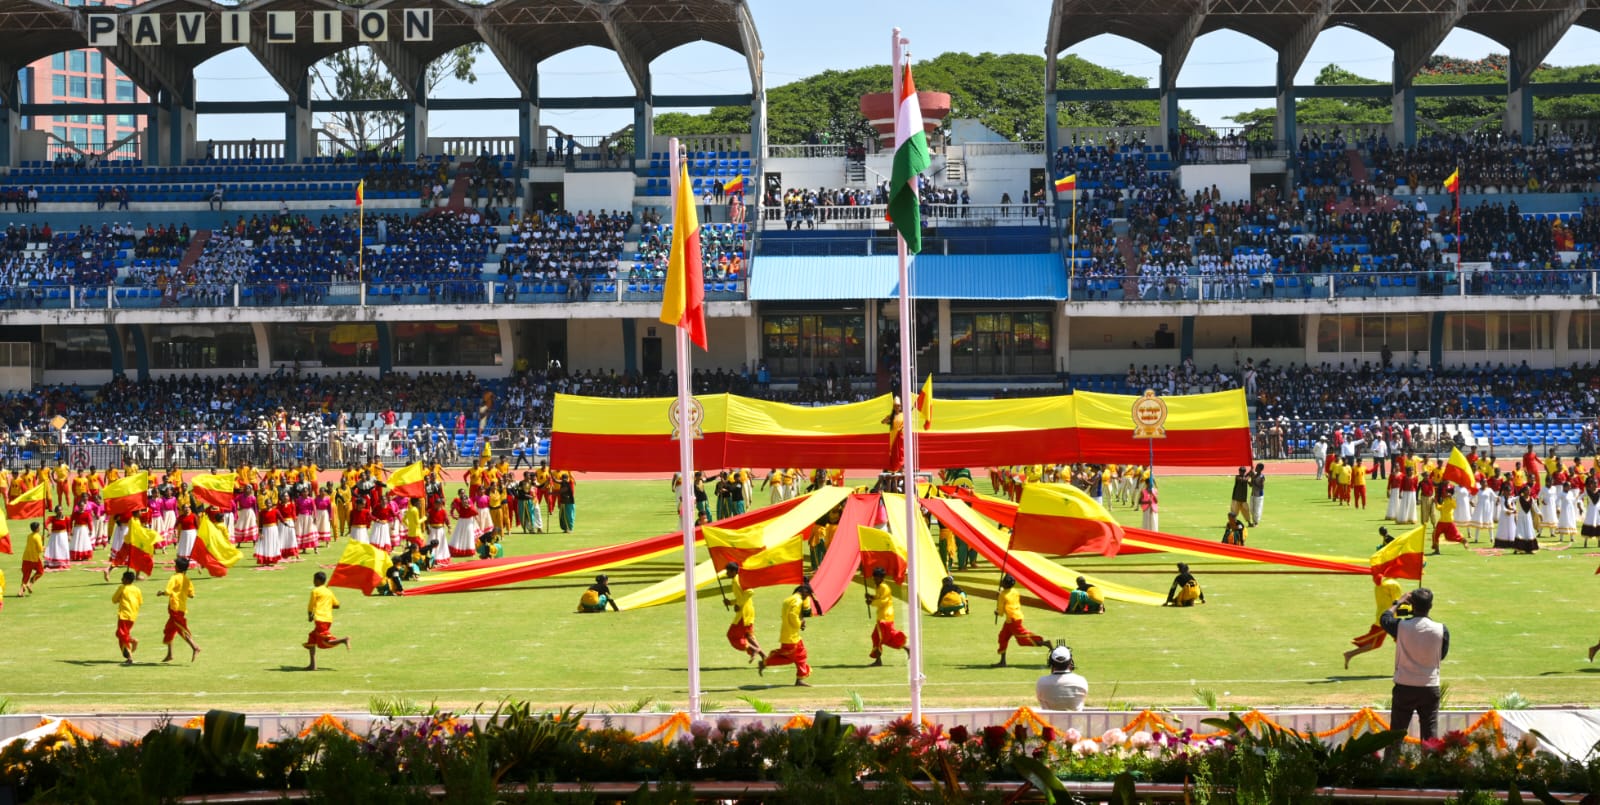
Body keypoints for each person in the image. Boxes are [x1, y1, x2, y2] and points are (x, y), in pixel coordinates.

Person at [1382, 587, 1448, 743]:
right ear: (1430, 606)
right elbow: (1442, 655)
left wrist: (1398, 603)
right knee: (1430, 737)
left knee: (1395, 736)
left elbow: (1385, 618)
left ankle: (1391, 766)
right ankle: (1431, 766)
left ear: (1411, 605)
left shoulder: (1401, 626)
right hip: (1429, 686)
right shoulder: (1441, 629)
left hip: (1405, 686)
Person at [759, 581, 814, 686]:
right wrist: (800, 623)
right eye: (807, 595)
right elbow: (793, 616)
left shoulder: (788, 600)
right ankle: (766, 662)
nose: (807, 597)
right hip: (791, 636)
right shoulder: (797, 601)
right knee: (789, 659)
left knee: (801, 655)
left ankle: (800, 678)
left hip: (790, 634)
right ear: (803, 591)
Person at [1343, 578, 1405, 669]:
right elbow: (1398, 603)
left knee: (1377, 643)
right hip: (1390, 619)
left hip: (1381, 616)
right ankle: (1407, 665)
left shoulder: (1380, 582)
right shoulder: (1393, 584)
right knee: (1403, 641)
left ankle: (1350, 654)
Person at [994, 574, 1051, 667]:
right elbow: (1009, 600)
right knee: (1003, 637)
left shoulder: (1002, 595)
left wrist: (996, 611)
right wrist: (1001, 593)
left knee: (1023, 640)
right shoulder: (1015, 591)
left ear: (1005, 584)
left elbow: (1000, 612)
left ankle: (1045, 643)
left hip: (1013, 620)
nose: (1001, 582)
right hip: (1015, 618)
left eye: (1003, 581)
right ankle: (1002, 662)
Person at [155, 557, 200, 662]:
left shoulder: (174, 578)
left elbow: (167, 591)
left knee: (181, 629)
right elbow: (192, 595)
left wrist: (161, 593)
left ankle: (195, 647)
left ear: (177, 567)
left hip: (175, 608)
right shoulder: (187, 579)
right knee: (169, 631)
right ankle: (170, 654)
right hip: (182, 608)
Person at [304, 571, 350, 670]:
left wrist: (309, 615)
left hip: (320, 619)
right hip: (328, 619)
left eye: (314, 580)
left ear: (318, 580)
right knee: (312, 638)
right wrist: (327, 604)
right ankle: (313, 665)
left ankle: (343, 640)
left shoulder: (315, 591)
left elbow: (311, 605)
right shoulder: (329, 591)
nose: (313, 582)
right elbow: (337, 605)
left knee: (325, 640)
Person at [721, 563, 764, 664]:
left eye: (728, 571)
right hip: (746, 611)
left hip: (744, 613)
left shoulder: (737, 580)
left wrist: (739, 604)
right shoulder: (736, 579)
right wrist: (731, 602)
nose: (727, 573)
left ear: (734, 571)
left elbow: (750, 592)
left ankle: (752, 649)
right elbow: (742, 596)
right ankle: (764, 656)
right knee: (749, 636)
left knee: (732, 635)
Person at [866, 566, 908, 666]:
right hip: (882, 616)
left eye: (876, 578)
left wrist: (871, 602)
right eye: (874, 577)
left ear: (881, 578)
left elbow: (883, 601)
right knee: (876, 637)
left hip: (885, 617)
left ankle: (907, 647)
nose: (874, 579)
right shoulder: (879, 587)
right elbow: (879, 598)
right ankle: (878, 660)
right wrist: (871, 597)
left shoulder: (884, 587)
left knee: (885, 638)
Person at [1034, 644, 1088, 711]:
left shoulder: (1041, 682)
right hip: (1074, 721)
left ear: (1051, 662)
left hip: (1049, 721)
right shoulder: (1081, 681)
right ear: (1070, 662)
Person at [111, 570, 142, 665]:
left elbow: (114, 600)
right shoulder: (137, 589)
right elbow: (140, 602)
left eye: (123, 578)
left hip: (124, 615)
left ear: (127, 580)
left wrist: (121, 598)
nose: (121, 579)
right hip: (133, 615)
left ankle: (130, 657)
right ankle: (131, 641)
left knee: (122, 635)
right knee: (119, 634)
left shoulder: (122, 588)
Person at [19, 522, 45, 595]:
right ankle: (30, 583)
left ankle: (21, 591)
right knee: (40, 572)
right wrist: (44, 547)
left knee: (26, 574)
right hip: (34, 558)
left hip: (26, 557)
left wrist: (41, 540)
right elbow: (40, 549)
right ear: (37, 528)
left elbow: (33, 544)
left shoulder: (29, 536)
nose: (40, 528)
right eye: (39, 527)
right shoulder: (37, 536)